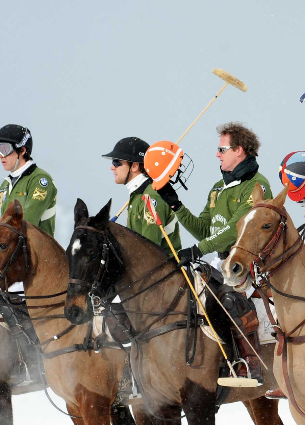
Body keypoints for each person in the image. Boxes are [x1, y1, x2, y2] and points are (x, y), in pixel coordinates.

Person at [155, 122, 273, 384]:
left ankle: (250, 363)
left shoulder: (257, 185)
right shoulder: (218, 188)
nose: (217, 155)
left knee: (229, 299)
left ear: (239, 150)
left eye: (222, 150)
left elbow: (236, 229)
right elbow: (204, 230)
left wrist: (198, 250)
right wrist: (175, 204)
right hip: (222, 262)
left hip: (249, 263)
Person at [0, 124, 59, 385]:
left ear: (22, 150)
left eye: (4, 149)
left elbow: (26, 225)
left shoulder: (41, 181)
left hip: (39, 262)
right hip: (15, 260)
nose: (0, 155)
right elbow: (3, 232)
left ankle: (37, 362)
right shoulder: (5, 187)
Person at [102, 137, 181, 254]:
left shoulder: (152, 196)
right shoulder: (138, 195)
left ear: (134, 166)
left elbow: (148, 253)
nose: (112, 167)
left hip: (165, 265)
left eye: (116, 162)